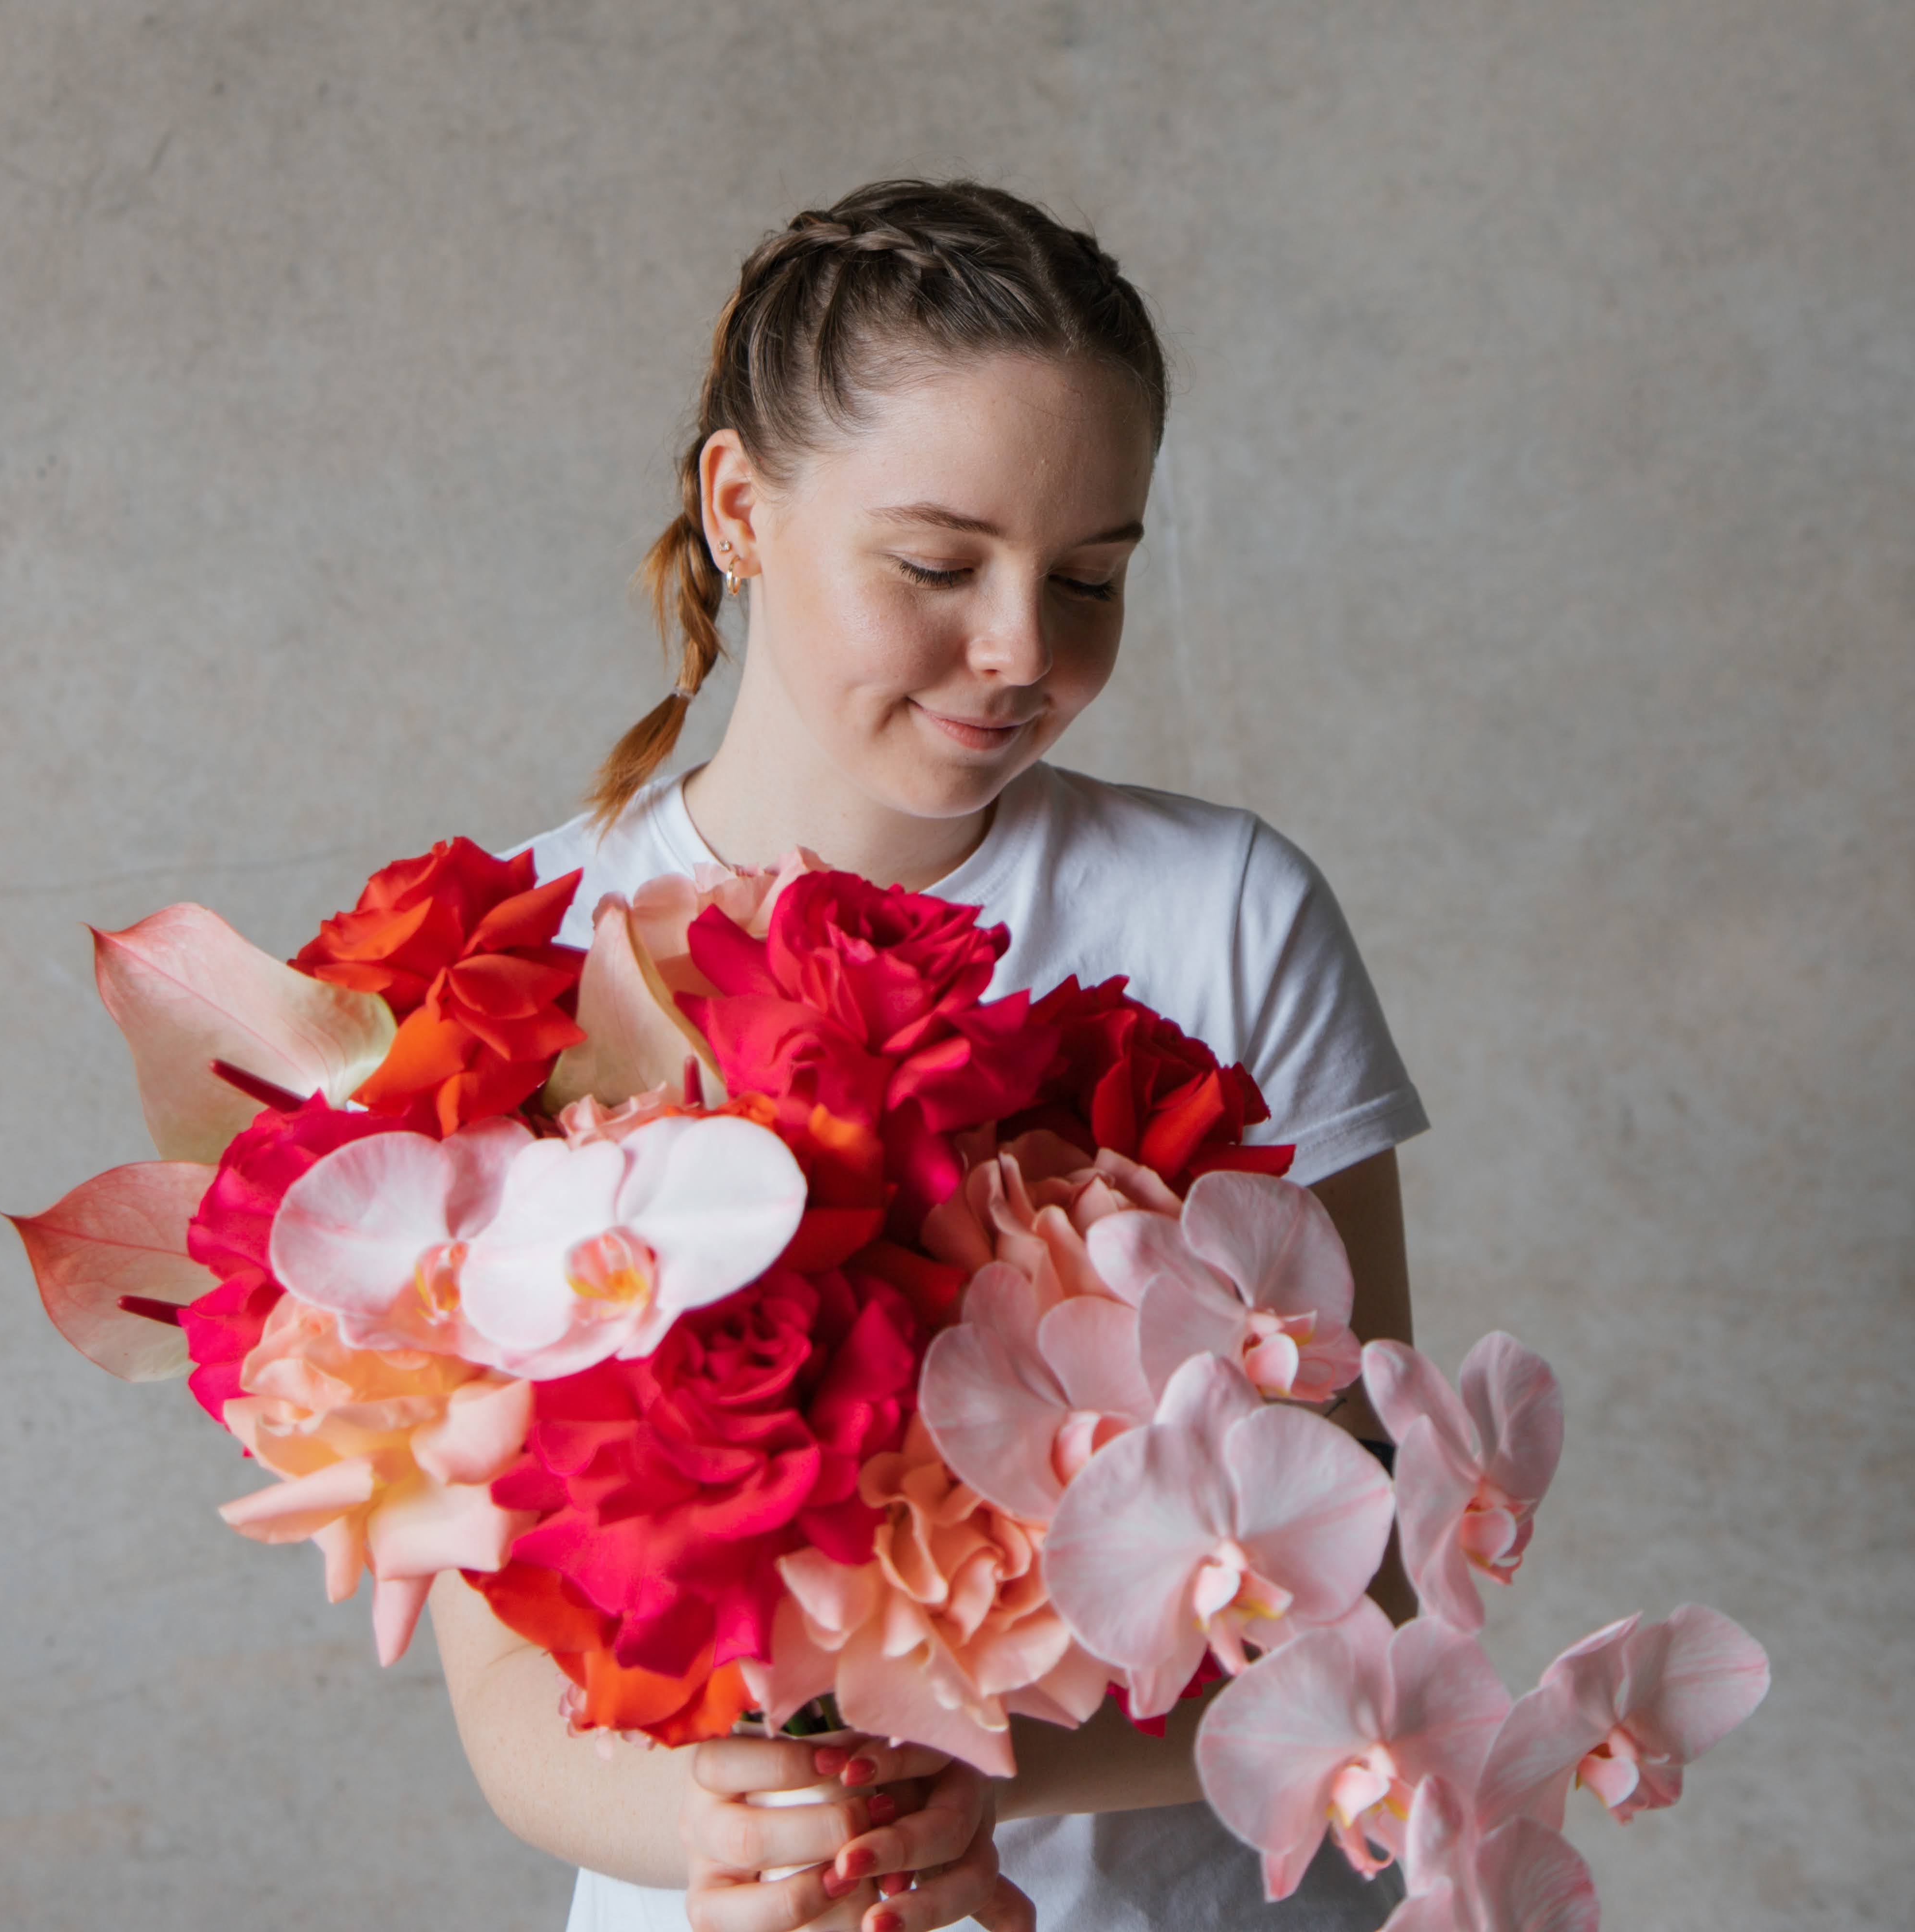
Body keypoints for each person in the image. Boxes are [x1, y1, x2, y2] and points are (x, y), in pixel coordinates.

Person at [430, 178, 1427, 1932]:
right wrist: (739, 1841)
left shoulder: (1230, 913)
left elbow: (1371, 1567)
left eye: (1093, 576)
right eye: (937, 565)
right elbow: (511, 1687)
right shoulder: (521, 973)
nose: (1023, 651)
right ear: (742, 509)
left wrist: (974, 1778)